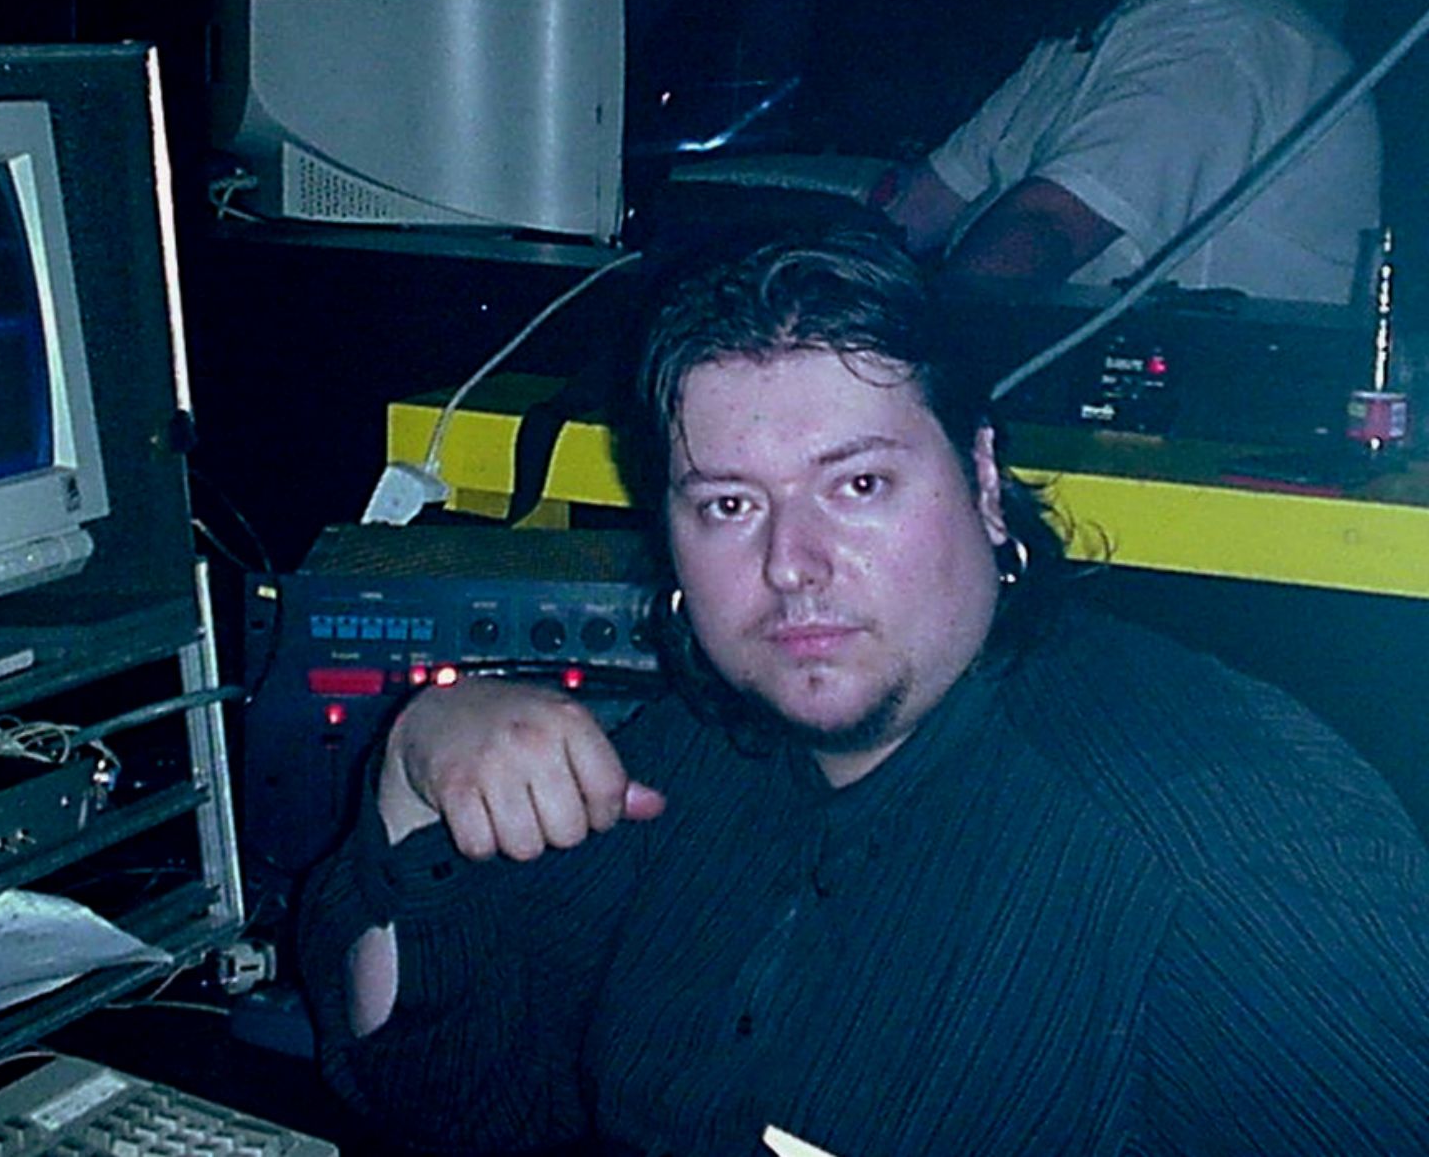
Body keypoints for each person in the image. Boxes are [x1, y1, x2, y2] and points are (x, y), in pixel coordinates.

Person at [298, 228, 1429, 1155]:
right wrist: (413, 769)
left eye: (859, 485)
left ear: (982, 481)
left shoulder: (1227, 850)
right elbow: (446, 1102)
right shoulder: (701, 753)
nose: (791, 564)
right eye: (729, 505)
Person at [881, 0, 1380, 304]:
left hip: (1213, 356)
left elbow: (1044, 230)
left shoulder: (1218, 32)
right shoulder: (1086, 29)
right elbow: (925, 203)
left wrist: (917, 339)